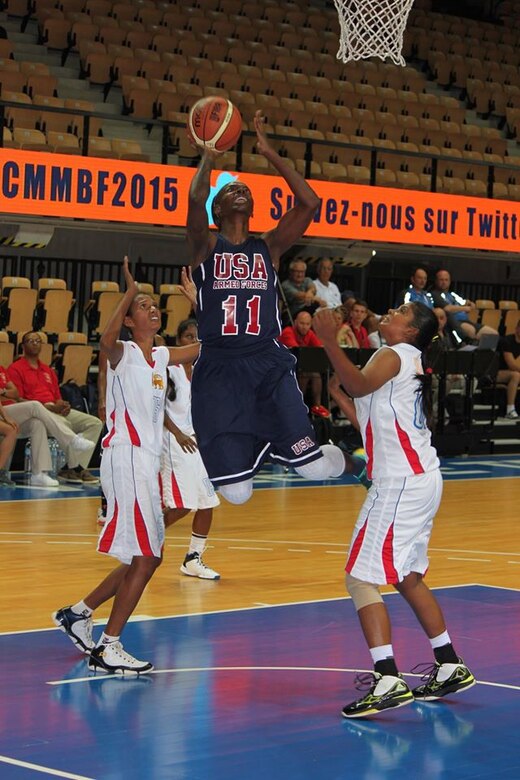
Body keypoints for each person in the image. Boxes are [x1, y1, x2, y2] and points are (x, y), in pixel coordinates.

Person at [186, 109, 368, 504]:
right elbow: (195, 198)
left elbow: (309, 202)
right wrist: (209, 154)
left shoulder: (268, 247)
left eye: (247, 191)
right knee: (236, 494)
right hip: (219, 371)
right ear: (218, 211)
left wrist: (271, 154)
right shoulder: (206, 247)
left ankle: (359, 466)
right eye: (231, 192)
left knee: (314, 467)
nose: (241, 191)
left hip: (266, 363)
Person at [313, 302, 475, 718]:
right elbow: (372, 416)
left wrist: (330, 341)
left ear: (411, 330)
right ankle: (450, 663)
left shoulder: (394, 353)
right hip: (421, 479)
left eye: (400, 310)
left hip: (401, 484)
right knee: (406, 577)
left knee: (360, 578)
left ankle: (387, 678)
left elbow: (359, 384)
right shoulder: (406, 360)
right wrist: (342, 397)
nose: (389, 310)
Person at [52, 258, 200, 675]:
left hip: (145, 464)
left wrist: (199, 302)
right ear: (132, 319)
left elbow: (209, 347)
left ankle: (79, 613)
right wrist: (128, 293)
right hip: (127, 457)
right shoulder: (126, 353)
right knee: (149, 556)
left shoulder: (161, 356)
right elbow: (105, 340)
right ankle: (108, 646)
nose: (152, 309)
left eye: (155, 305)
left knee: (145, 556)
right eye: (144, 306)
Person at [161, 318, 221, 580]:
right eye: (188, 336)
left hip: (197, 444)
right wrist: (178, 433)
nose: (193, 341)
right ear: (179, 340)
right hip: (174, 442)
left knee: (208, 502)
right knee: (184, 505)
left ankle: (193, 558)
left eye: (197, 337)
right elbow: (156, 409)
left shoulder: (205, 370)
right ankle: (144, 539)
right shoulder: (168, 369)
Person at [7, 333, 102, 484]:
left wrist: (62, 405)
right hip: (40, 411)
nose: (35, 343)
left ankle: (73, 467)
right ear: (23, 346)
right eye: (31, 341)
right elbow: (17, 399)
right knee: (56, 421)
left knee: (94, 423)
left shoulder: (47, 370)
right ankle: (74, 455)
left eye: (38, 341)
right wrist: (48, 407)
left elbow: (56, 395)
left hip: (54, 410)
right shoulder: (15, 369)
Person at [0, 365, 95, 487]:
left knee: (37, 423)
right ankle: (71, 439)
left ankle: (39, 474)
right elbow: (14, 395)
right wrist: (6, 400)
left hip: (10, 411)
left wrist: (2, 391)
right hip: (4, 412)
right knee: (34, 405)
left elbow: (15, 393)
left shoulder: (1, 369)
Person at [279, 309, 329, 416]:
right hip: (282, 366)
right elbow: (297, 352)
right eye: (302, 323)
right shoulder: (288, 332)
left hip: (299, 366)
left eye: (307, 324)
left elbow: (319, 349)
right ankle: (298, 403)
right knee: (306, 371)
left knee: (314, 372)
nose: (304, 327)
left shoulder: (309, 333)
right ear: (295, 322)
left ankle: (317, 407)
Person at [430, 269, 498, 343]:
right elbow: (447, 308)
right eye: (441, 280)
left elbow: (465, 302)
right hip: (456, 323)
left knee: (493, 334)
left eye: (446, 280)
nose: (444, 282)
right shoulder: (435, 294)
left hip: (467, 320)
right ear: (436, 281)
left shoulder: (452, 294)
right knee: (470, 331)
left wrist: (470, 304)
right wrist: (464, 308)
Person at [496, 318, 520, 419]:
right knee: (515, 375)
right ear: (516, 329)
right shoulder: (506, 341)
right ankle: (510, 409)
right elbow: (511, 365)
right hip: (497, 372)